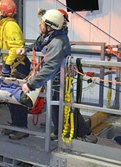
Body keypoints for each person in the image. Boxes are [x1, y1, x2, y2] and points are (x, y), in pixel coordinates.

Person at [17, 9, 97, 143]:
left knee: (66, 106)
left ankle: (86, 134)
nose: (39, 24)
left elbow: (50, 67)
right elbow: (38, 44)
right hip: (53, 80)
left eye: (42, 23)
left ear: (50, 26)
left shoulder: (58, 42)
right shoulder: (49, 36)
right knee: (55, 106)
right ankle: (58, 131)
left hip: (60, 79)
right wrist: (25, 49)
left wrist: (30, 84)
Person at [0, 0, 31, 139]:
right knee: (10, 97)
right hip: (11, 64)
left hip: (19, 66)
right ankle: (15, 124)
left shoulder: (10, 25)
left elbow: (16, 47)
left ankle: (22, 128)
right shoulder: (2, 26)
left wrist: (7, 65)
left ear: (3, 12)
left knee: (18, 98)